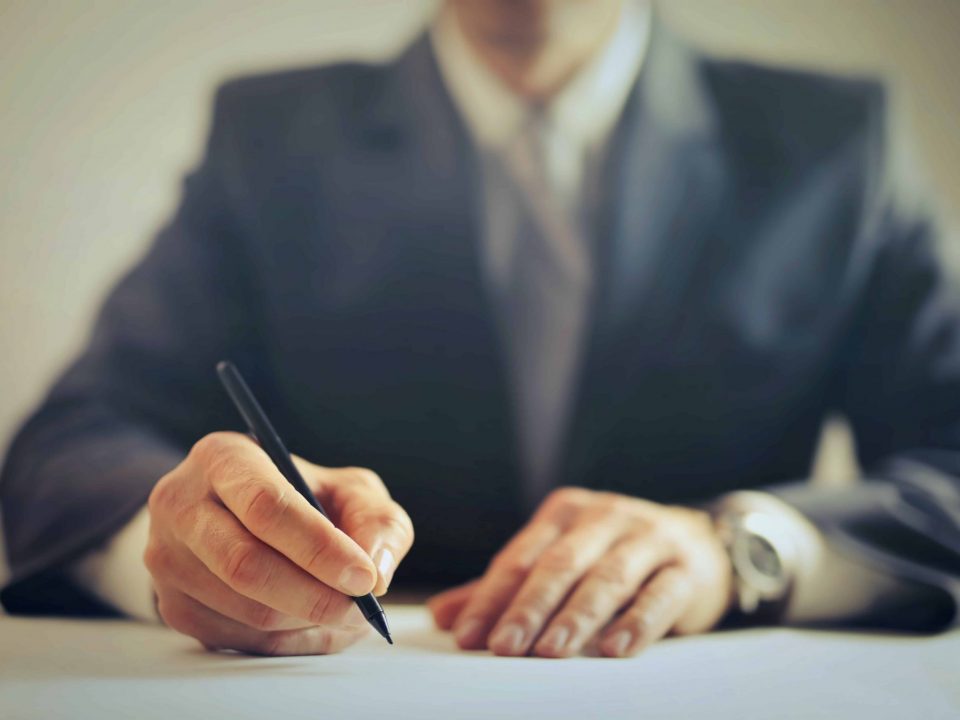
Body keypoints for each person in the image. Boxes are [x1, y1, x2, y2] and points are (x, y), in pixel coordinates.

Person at [2, 0, 959, 658]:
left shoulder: (836, 145)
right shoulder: (269, 140)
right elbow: (70, 447)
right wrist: (190, 553)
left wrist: (741, 551)